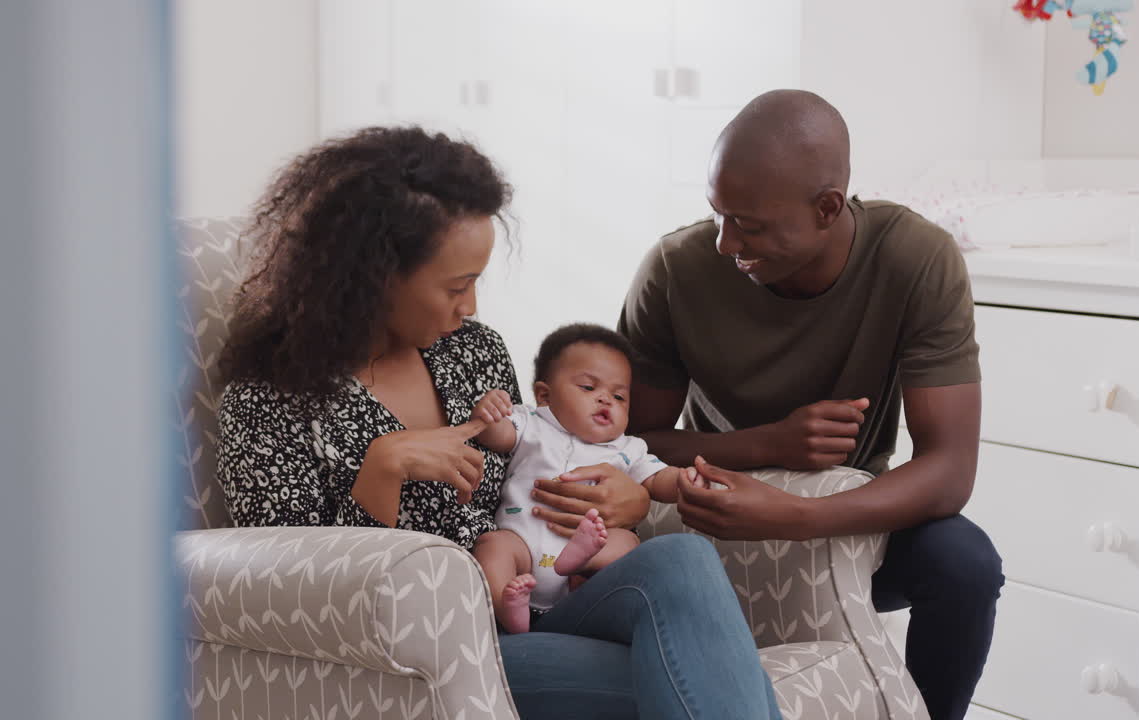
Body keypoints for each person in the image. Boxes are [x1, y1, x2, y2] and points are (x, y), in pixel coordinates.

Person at [215, 126, 782, 720]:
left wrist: (627, 501)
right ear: (371, 276)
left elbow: (538, 466)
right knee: (708, 671)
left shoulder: (472, 352)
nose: (472, 307)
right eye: (457, 286)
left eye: (476, 282)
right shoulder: (270, 400)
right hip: (432, 654)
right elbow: (299, 599)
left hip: (540, 602)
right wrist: (381, 469)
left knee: (682, 563)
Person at [617, 89, 1004, 720]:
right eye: (718, 214)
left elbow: (951, 471)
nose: (723, 241)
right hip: (710, 514)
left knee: (964, 564)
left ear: (828, 208)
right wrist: (767, 446)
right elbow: (627, 444)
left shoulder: (915, 260)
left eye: (749, 224)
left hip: (840, 525)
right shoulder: (675, 269)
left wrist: (795, 515)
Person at [469, 323, 701, 634]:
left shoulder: (628, 448)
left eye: (619, 397)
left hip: (582, 567)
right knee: (491, 546)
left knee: (627, 542)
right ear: (544, 395)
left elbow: (657, 478)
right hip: (522, 544)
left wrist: (684, 480)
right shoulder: (531, 423)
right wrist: (488, 413)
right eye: (589, 388)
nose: (606, 400)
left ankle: (579, 564)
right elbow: (494, 436)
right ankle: (508, 606)